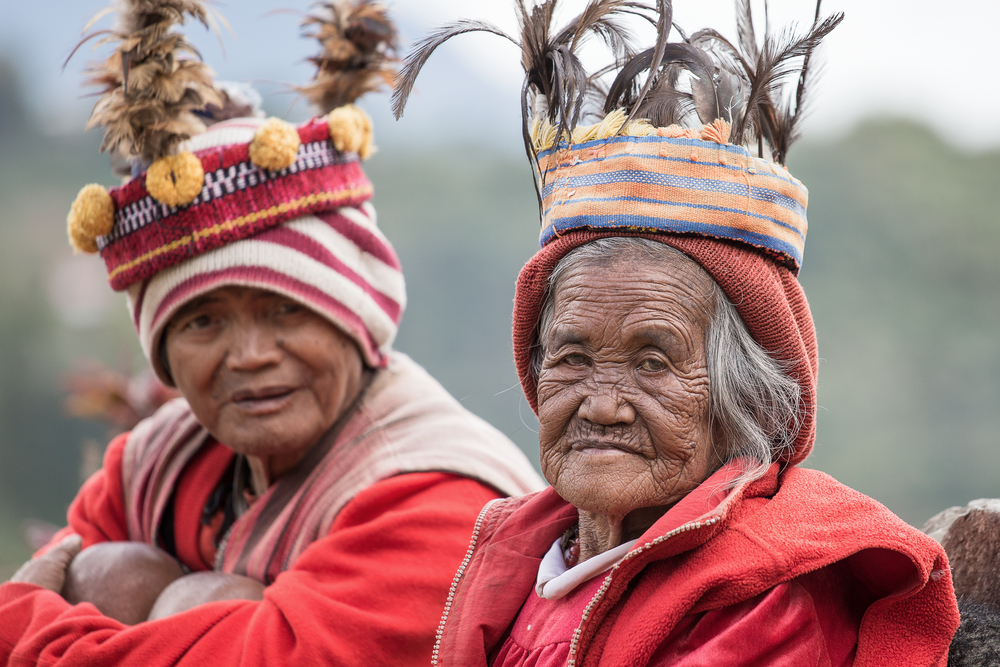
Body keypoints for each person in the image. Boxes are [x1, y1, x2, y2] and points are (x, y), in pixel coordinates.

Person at [391, 0, 961, 664]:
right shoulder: (524, 552)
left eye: (653, 363)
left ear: (743, 398)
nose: (602, 404)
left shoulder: (761, 600)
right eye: (573, 357)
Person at [0, 1, 542, 665]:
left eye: (286, 310)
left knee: (199, 602)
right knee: (115, 572)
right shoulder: (157, 466)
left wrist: (24, 624)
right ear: (162, 348)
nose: (250, 356)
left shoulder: (441, 499)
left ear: (355, 312)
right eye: (203, 321)